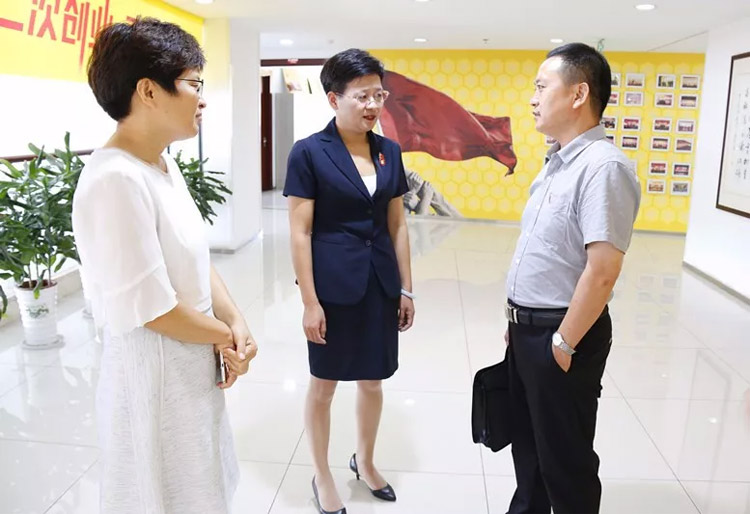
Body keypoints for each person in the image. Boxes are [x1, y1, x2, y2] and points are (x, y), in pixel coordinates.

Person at [72, 17, 257, 513]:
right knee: (165, 495)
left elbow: (194, 256)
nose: (202, 98)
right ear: (149, 91)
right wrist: (226, 337)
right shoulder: (114, 180)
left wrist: (235, 321)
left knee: (201, 487)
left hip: (189, 363)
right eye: (194, 83)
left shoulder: (161, 162)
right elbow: (154, 309)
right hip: (154, 375)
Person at [504, 43, 641, 514]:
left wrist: (562, 344)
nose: (533, 98)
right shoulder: (557, 162)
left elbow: (602, 271)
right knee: (529, 451)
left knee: (565, 462)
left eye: (542, 87)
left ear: (579, 94)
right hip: (528, 330)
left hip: (564, 333)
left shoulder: (604, 167)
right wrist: (516, 318)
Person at [284, 48, 415, 514]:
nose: (373, 105)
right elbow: (300, 232)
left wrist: (405, 287)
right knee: (324, 385)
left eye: (379, 95)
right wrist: (310, 302)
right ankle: (321, 474)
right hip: (333, 289)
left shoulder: (389, 151)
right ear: (334, 98)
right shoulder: (308, 153)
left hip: (379, 283)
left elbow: (397, 224)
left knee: (373, 381)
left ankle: (366, 460)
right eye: (362, 96)